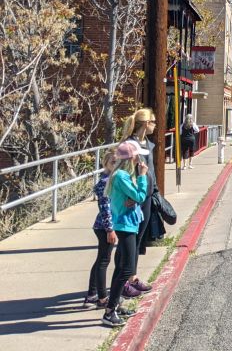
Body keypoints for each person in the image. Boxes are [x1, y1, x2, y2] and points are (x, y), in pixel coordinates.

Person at [102, 140, 149, 327]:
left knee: (121, 269)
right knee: (127, 269)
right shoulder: (122, 176)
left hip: (128, 224)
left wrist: (134, 198)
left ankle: (116, 305)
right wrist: (143, 177)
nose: (140, 159)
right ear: (131, 158)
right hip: (125, 226)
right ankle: (109, 311)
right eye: (137, 156)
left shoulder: (123, 175)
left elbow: (135, 198)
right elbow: (139, 196)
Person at [121, 108, 158, 291]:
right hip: (133, 197)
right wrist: (129, 195)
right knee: (130, 240)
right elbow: (122, 171)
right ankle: (125, 279)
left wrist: (155, 189)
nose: (155, 125)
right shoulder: (129, 145)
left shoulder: (147, 143)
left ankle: (132, 277)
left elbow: (149, 170)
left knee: (139, 237)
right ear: (145, 123)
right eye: (153, 121)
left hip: (146, 195)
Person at [83, 150, 118, 308]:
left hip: (104, 226)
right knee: (104, 261)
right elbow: (105, 208)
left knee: (100, 260)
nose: (116, 165)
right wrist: (110, 229)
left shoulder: (111, 179)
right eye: (112, 162)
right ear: (105, 164)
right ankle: (102, 298)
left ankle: (91, 294)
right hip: (104, 227)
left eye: (118, 162)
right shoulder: (105, 182)